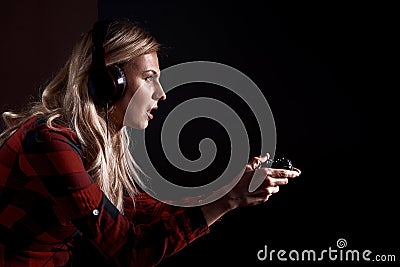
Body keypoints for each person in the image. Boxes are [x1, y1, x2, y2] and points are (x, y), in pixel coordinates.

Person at [0, 19, 301, 267]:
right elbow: (130, 250)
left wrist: (229, 187)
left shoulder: (94, 143)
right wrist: (229, 199)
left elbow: (143, 211)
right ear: (108, 83)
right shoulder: (50, 144)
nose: (161, 93)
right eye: (148, 78)